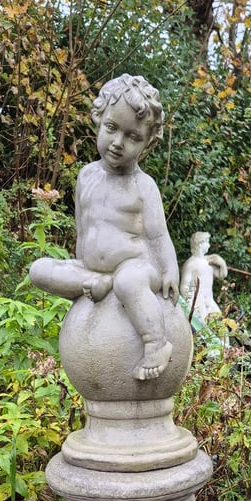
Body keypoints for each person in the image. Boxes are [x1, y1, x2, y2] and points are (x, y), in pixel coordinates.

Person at [30, 74, 180, 381]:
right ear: (98, 121)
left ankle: (156, 342)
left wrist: (170, 270)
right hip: (92, 270)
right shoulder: (87, 175)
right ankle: (91, 280)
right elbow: (83, 227)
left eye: (132, 137)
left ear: (148, 142)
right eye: (111, 128)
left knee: (128, 281)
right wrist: (81, 268)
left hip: (137, 267)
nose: (117, 143)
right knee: (39, 269)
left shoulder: (143, 186)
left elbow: (157, 235)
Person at [180, 231, 227, 323]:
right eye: (207, 242)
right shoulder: (191, 263)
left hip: (209, 300)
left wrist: (222, 264)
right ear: (200, 244)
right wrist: (190, 305)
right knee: (203, 328)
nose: (209, 245)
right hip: (198, 301)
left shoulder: (208, 261)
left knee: (221, 326)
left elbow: (222, 275)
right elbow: (184, 286)